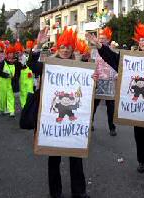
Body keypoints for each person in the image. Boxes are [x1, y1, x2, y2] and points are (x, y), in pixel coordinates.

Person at [86, 21, 144, 182]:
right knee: (140, 135)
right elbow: (112, 58)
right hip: (136, 106)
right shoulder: (129, 58)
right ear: (138, 42)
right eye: (142, 39)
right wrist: (100, 46)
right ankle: (142, 161)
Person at [28, 27, 90, 198]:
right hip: (53, 120)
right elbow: (32, 65)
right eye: (62, 47)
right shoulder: (48, 64)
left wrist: (93, 79)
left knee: (76, 157)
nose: (65, 50)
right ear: (57, 48)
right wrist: (38, 45)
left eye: (68, 47)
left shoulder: (80, 67)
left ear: (72, 48)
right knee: (54, 159)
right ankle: (55, 192)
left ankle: (79, 191)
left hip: (73, 122)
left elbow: (87, 87)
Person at [91, 27, 117, 136]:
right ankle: (89, 123)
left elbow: (117, 64)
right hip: (97, 82)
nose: (101, 40)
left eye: (104, 38)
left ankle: (112, 127)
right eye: (100, 38)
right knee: (93, 106)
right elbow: (89, 64)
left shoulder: (113, 51)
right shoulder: (93, 51)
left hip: (110, 82)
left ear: (108, 40)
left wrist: (117, 74)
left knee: (111, 107)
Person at [0, 45, 20, 117]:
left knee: (10, 96)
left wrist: (15, 79)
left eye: (12, 53)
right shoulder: (3, 62)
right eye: (9, 53)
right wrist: (6, 75)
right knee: (3, 97)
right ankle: (2, 109)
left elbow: (17, 73)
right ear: (7, 54)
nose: (10, 55)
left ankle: (11, 111)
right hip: (3, 82)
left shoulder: (15, 63)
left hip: (11, 83)